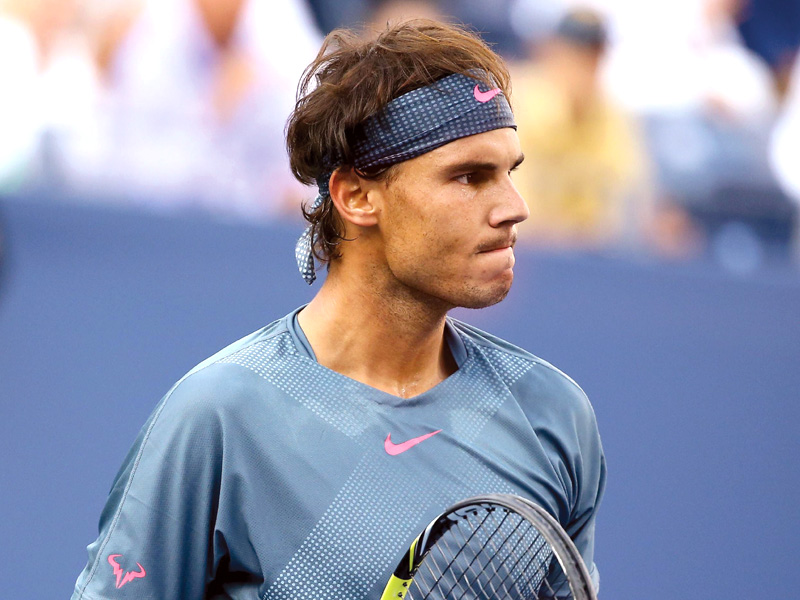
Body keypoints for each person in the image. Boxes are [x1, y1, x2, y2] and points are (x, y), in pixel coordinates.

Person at [72, 19, 606, 600]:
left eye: (511, 172)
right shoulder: (218, 417)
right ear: (356, 196)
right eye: (470, 177)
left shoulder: (554, 416)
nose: (514, 207)